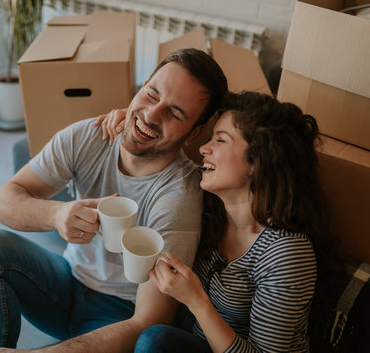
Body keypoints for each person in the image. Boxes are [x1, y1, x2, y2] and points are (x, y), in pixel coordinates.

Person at [0, 48, 228, 353]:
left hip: (118, 316)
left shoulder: (178, 196)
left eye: (175, 113)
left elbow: (148, 322)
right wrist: (56, 215)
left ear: (192, 135)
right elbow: (1, 203)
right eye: (152, 94)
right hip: (66, 280)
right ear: (141, 87)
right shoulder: (89, 136)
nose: (152, 115)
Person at [125, 91, 337, 352]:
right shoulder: (208, 208)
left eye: (221, 140)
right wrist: (124, 124)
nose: (204, 148)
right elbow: (161, 164)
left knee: (154, 341)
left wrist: (196, 300)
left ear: (257, 162)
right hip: (197, 341)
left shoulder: (285, 252)